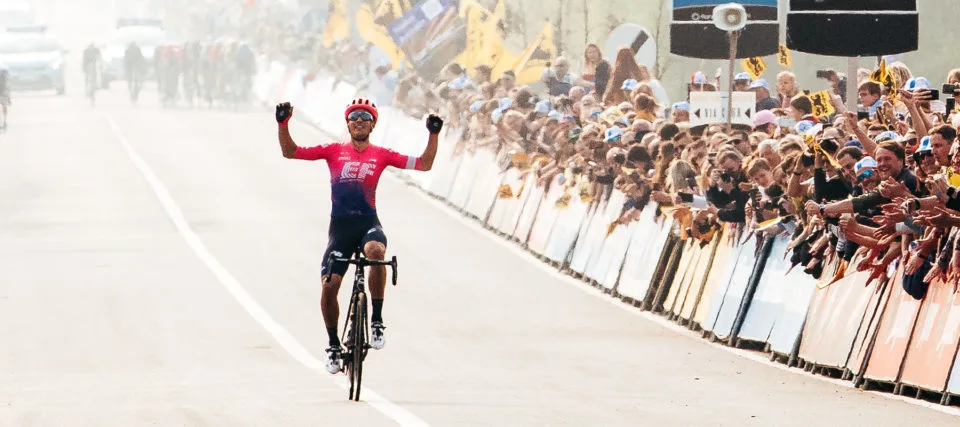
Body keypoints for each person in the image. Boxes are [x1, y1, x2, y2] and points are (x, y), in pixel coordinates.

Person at [273, 98, 443, 374]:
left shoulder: (382, 154)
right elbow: (290, 152)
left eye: (365, 117)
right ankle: (332, 345)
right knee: (329, 286)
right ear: (348, 123)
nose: (360, 121)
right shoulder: (333, 150)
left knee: (376, 252)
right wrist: (283, 124)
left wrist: (433, 135)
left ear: (373, 124)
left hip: (367, 223)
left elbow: (424, 164)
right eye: (354, 117)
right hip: (340, 229)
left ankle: (376, 321)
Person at [0, 62, 8, 130]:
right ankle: (4, 121)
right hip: (3, 93)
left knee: (4, 106)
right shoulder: (4, 78)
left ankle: (4, 121)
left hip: (3, 93)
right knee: (4, 106)